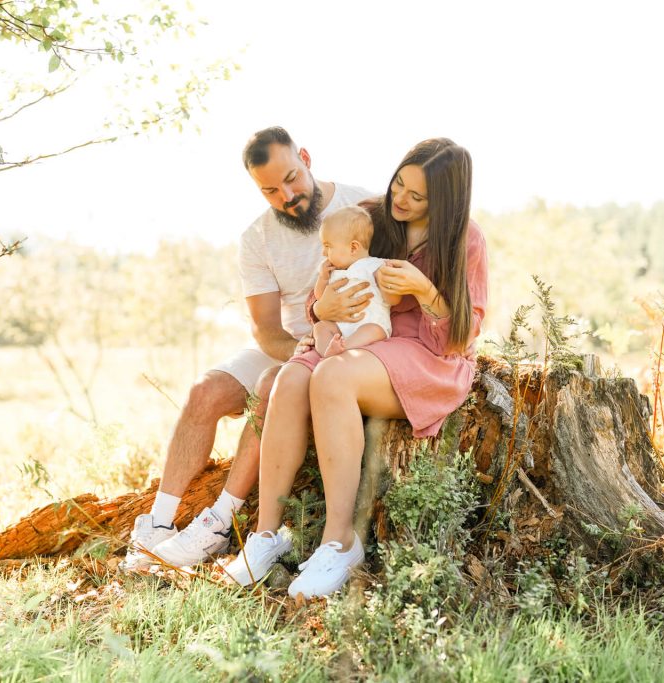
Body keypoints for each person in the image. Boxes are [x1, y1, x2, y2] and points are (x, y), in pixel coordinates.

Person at [224, 138, 489, 600]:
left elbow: (464, 334)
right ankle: (266, 534)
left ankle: (340, 541)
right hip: (356, 339)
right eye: (399, 183)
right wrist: (320, 308)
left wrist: (424, 290)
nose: (400, 199)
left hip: (424, 353)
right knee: (291, 378)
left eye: (417, 196)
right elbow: (327, 287)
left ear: (444, 201)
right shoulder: (370, 218)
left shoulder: (465, 239)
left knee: (333, 376)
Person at [121, 126, 375, 570]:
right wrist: (304, 343)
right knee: (205, 391)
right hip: (292, 343)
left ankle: (220, 522)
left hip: (352, 346)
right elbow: (266, 331)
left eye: (291, 179)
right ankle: (157, 525)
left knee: (271, 385)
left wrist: (326, 339)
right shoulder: (257, 238)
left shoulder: (364, 207)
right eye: (270, 191)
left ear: (306, 158)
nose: (287, 197)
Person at [312, 206, 394, 358]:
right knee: (320, 328)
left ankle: (343, 348)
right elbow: (320, 297)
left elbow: (393, 301)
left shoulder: (376, 266)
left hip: (369, 323)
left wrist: (388, 284)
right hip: (340, 327)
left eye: (328, 246)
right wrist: (323, 278)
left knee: (373, 330)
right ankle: (328, 353)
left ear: (353, 248)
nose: (323, 253)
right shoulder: (333, 271)